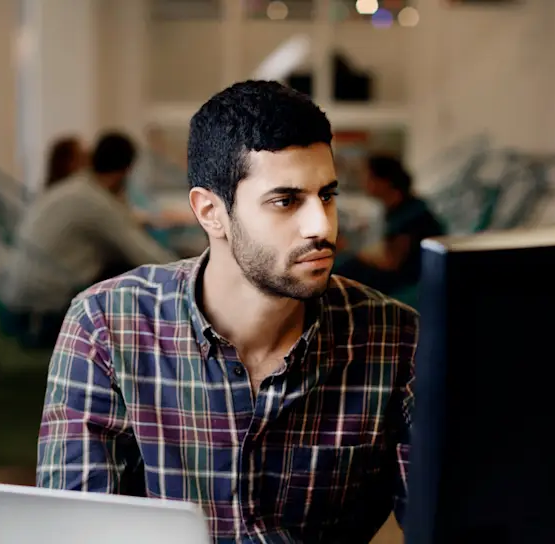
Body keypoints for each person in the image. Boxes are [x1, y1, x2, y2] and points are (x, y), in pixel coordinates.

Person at [37, 80, 418, 543]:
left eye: (328, 195)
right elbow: (76, 533)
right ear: (211, 212)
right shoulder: (106, 325)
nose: (322, 225)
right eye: (286, 200)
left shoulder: (394, 337)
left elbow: (449, 522)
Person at [0, 132, 177, 349]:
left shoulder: (76, 188)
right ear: (125, 172)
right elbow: (147, 256)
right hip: (40, 315)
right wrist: (191, 270)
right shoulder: (95, 203)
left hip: (15, 297)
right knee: (140, 281)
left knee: (117, 271)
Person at [335, 155, 445, 295]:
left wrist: (352, 251)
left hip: (409, 283)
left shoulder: (412, 213)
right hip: (401, 276)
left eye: (369, 177)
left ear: (384, 181)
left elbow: (392, 261)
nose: (364, 182)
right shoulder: (396, 209)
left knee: (344, 270)